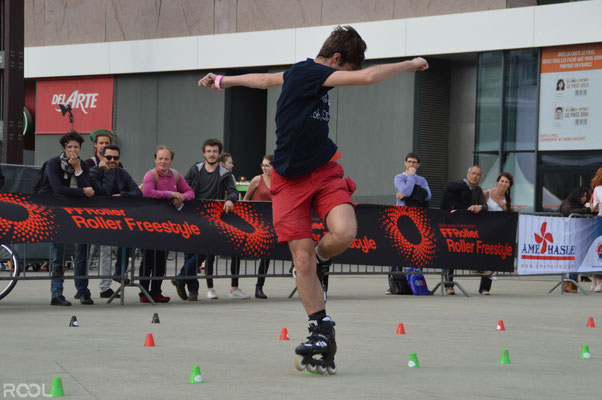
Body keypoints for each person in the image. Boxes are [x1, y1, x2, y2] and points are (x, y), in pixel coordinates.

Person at [199, 25, 428, 373]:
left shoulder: (297, 72)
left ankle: (322, 257)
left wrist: (222, 81)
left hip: (323, 171)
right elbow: (367, 79)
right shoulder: (312, 73)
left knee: (345, 232)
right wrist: (409, 63)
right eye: (344, 71)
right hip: (288, 182)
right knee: (300, 261)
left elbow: (263, 80)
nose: (342, 79)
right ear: (337, 59)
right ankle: (320, 327)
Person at [174, 139, 241, 301]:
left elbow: (233, 191)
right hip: (191, 216)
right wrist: (179, 197)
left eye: (215, 151)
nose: (211, 154)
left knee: (203, 252)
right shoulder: (195, 169)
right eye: (209, 151)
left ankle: (180, 278)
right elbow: (183, 186)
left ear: (219, 154)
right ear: (204, 153)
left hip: (212, 220)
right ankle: (193, 291)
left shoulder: (225, 174)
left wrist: (230, 200)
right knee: (189, 254)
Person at [38, 131, 95, 306]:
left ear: (80, 149)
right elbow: (58, 189)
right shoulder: (54, 163)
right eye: (69, 147)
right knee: (58, 253)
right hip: (56, 211)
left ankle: (82, 290)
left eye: (75, 147)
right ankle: (57, 293)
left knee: (81, 253)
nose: (72, 150)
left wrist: (78, 169)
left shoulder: (83, 165)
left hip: (77, 213)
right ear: (64, 147)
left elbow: (89, 188)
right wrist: (80, 192)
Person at [140, 145, 194, 303]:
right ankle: (144, 293)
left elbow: (190, 192)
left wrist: (182, 198)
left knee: (161, 260)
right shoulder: (150, 175)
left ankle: (156, 292)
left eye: (166, 159)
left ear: (171, 160)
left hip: (166, 226)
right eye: (160, 158)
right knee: (148, 259)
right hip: (149, 225)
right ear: (155, 159)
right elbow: (147, 193)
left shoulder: (175, 175)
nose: (163, 161)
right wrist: (170, 194)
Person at [89, 144, 142, 298]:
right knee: (101, 252)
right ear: (101, 157)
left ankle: (119, 273)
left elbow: (137, 192)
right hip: (99, 219)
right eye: (109, 157)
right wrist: (108, 173)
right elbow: (104, 192)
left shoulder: (122, 172)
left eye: (116, 158)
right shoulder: (94, 172)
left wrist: (122, 196)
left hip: (119, 220)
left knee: (127, 244)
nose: (112, 160)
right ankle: (103, 288)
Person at [387, 152, 431, 295]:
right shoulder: (399, 177)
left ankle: (414, 281)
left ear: (419, 165)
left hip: (417, 218)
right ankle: (395, 283)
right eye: (409, 162)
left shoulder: (422, 179)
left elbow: (428, 195)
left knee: (415, 250)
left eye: (414, 163)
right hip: (401, 217)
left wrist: (410, 193)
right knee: (398, 249)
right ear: (405, 163)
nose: (412, 165)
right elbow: (406, 190)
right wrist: (411, 179)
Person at [441, 165, 488, 295]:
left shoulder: (478, 190)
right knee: (451, 254)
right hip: (453, 225)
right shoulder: (457, 186)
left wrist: (479, 207)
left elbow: (485, 206)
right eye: (473, 173)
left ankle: (479, 274)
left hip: (470, 229)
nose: (475, 176)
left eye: (478, 174)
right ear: (468, 174)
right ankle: (449, 285)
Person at [243, 155, 274, 299]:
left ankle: (259, 286)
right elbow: (246, 199)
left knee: (267, 255)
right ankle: (236, 286)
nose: (264, 168)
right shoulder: (257, 180)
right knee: (261, 254)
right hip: (256, 222)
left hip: (272, 222)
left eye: (267, 165)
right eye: (263, 165)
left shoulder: (279, 181)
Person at [481, 172, 514, 295]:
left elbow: (509, 213)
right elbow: (481, 207)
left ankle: (485, 288)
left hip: (497, 230)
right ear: (497, 181)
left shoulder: (507, 198)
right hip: (484, 227)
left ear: (509, 185)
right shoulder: (487, 193)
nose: (503, 184)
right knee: (484, 255)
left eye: (506, 182)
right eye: (502, 181)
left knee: (493, 255)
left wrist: (504, 206)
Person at [589, 168, 602, 291]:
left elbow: (595, 208)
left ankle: (595, 282)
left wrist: (589, 207)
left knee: (598, 252)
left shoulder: (597, 189)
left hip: (600, 220)